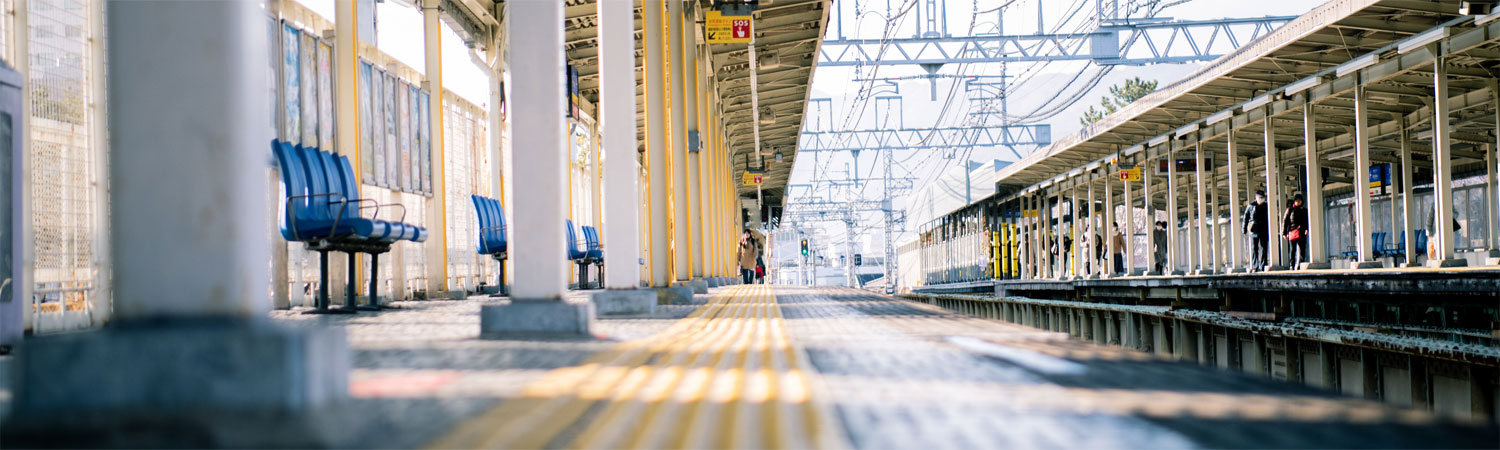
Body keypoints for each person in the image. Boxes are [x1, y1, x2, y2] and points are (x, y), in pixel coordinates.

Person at [1243, 190, 1270, 271]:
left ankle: (1263, 264)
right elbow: (1246, 218)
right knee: (1254, 247)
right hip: (1254, 229)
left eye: (1262, 198)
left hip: (1264, 229)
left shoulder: (1266, 206)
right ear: (1256, 197)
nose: (1261, 199)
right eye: (1260, 197)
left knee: (1264, 247)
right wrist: (1244, 230)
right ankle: (1255, 265)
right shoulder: (1251, 206)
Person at [1283, 193, 1309, 267]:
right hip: (1292, 231)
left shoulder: (1304, 210)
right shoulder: (1290, 210)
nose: (1298, 202)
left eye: (1299, 200)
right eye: (1296, 200)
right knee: (1292, 249)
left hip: (1302, 232)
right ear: (1294, 201)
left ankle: (1301, 264)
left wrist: (1307, 229)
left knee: (1302, 249)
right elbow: (1285, 221)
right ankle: (1292, 264)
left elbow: (1307, 221)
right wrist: (1284, 233)